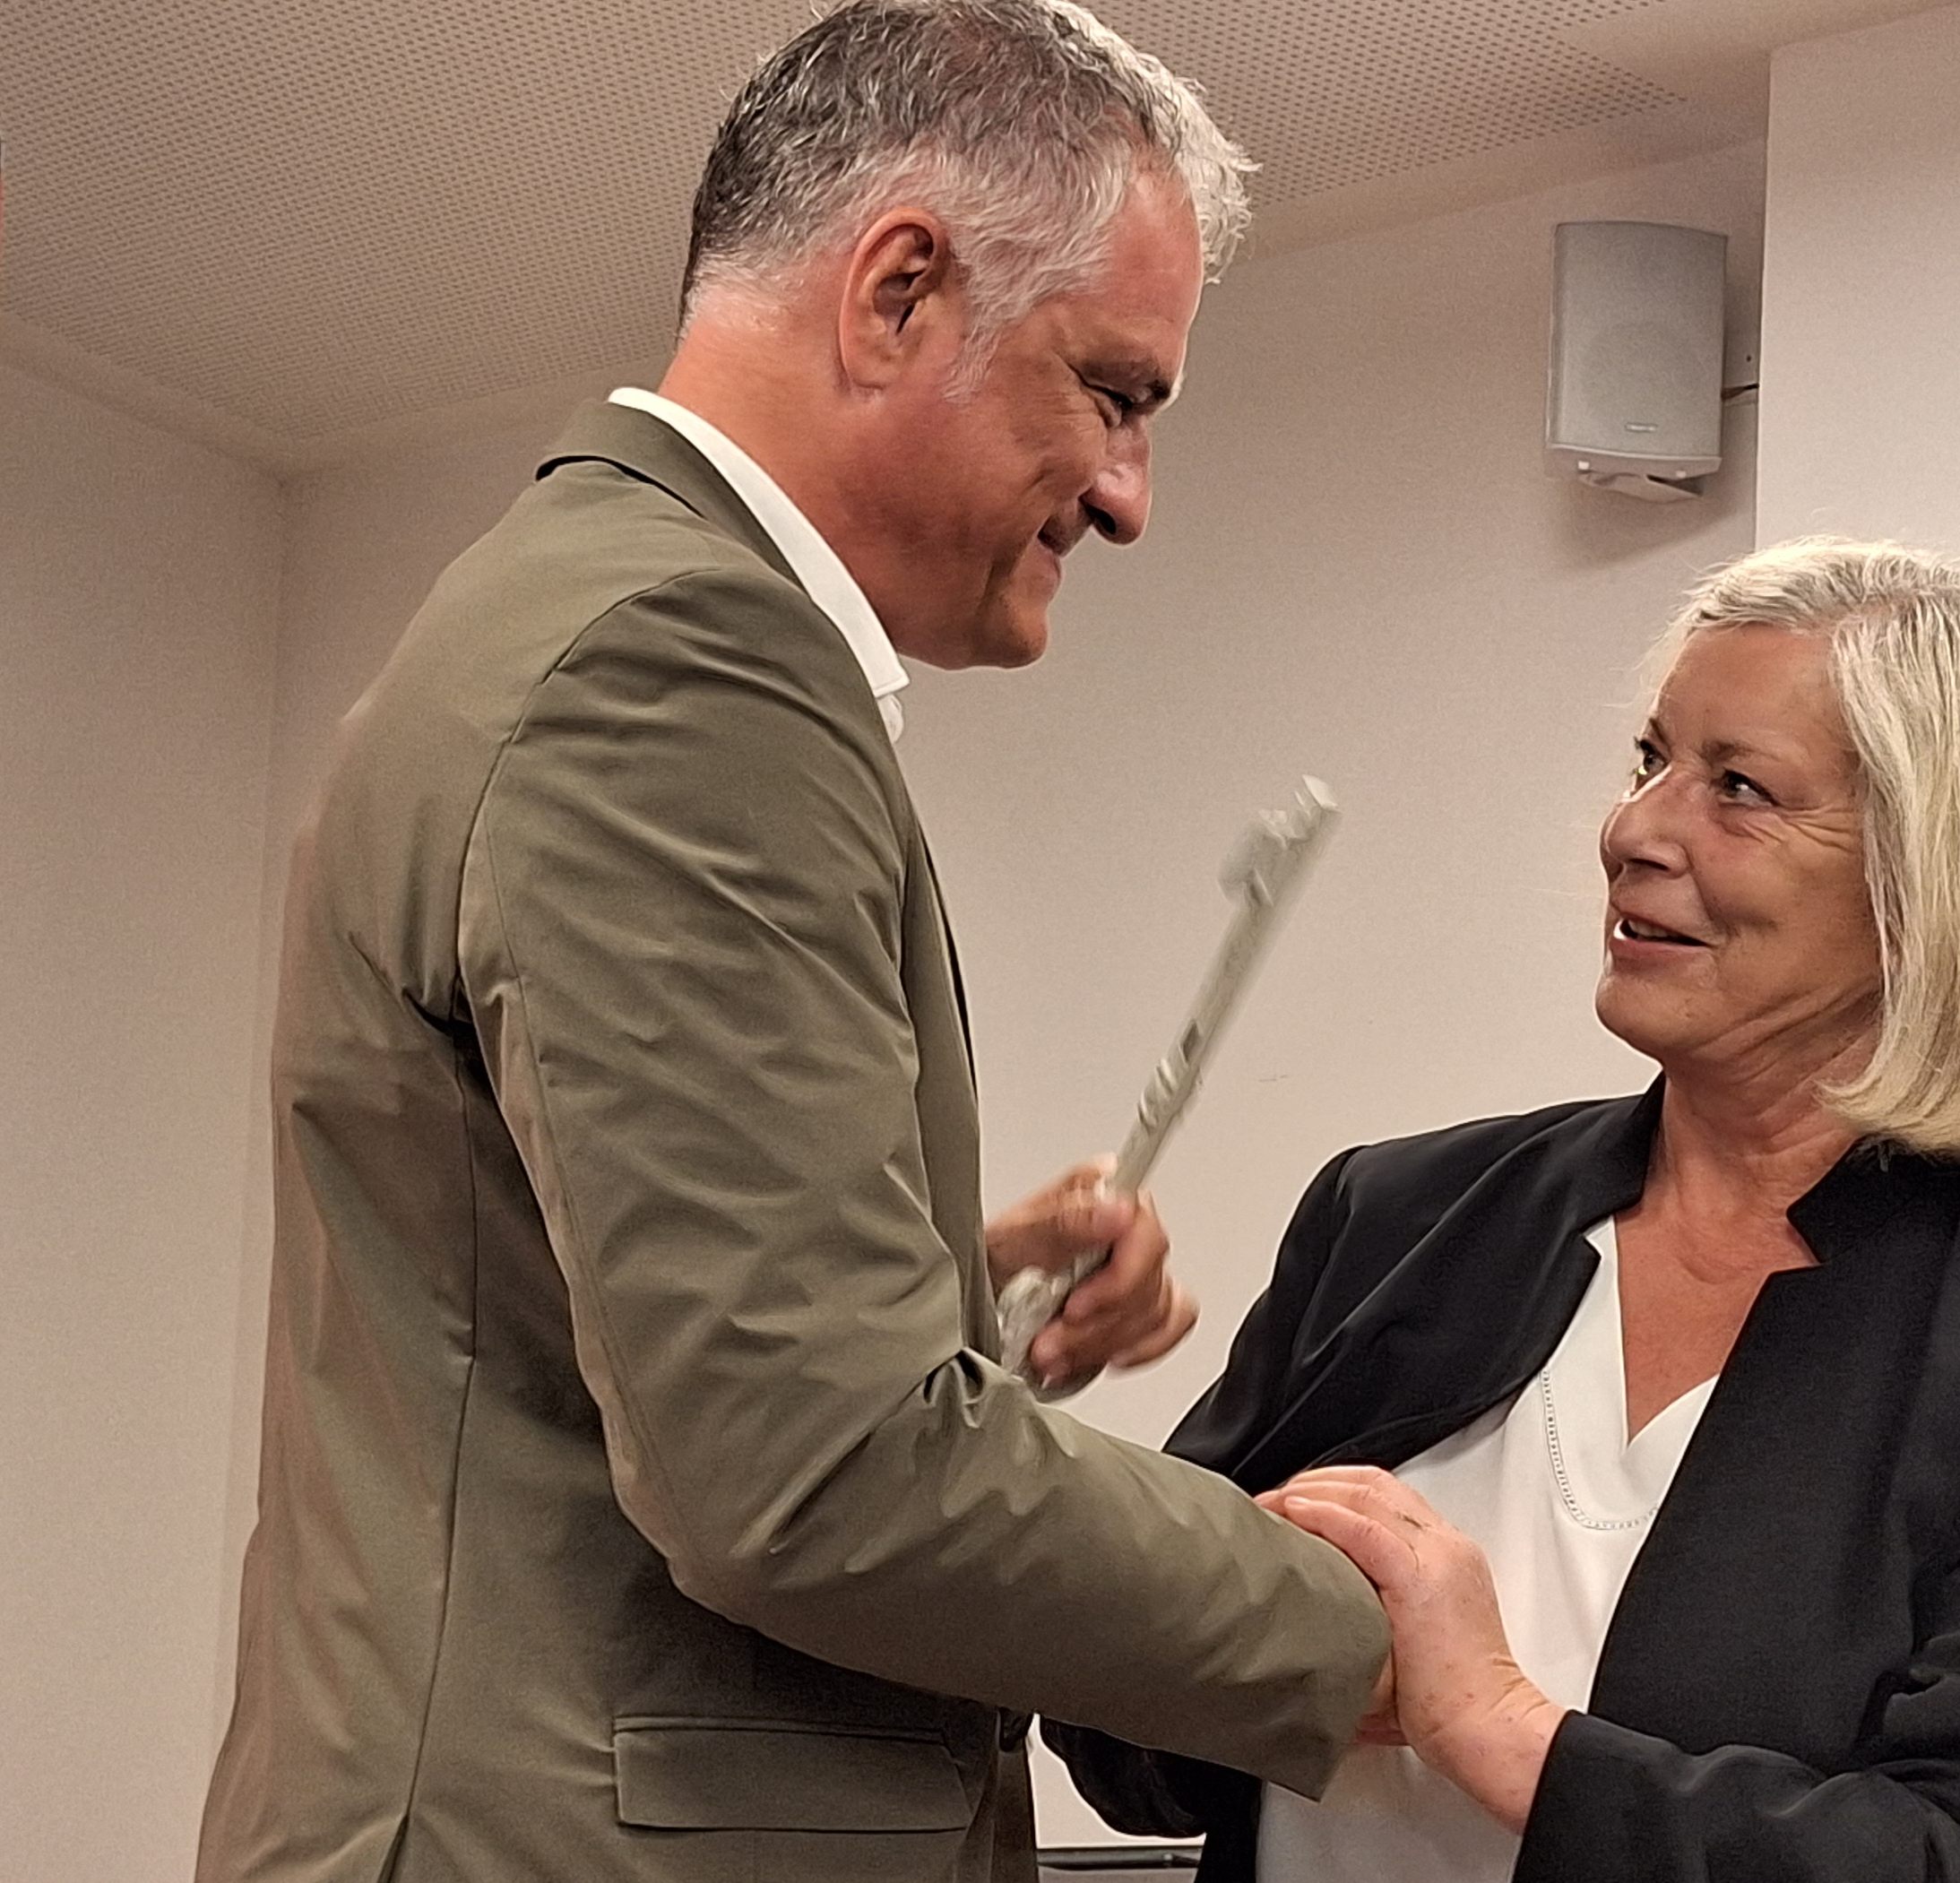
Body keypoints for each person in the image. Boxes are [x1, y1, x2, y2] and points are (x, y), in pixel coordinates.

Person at [194, 6, 1391, 1879]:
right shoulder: (682, 669)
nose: (1131, 496)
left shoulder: (562, 612)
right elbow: (815, 1475)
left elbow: (543, 1301)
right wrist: (1379, 1640)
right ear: (899, 290)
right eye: (1119, 392)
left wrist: (935, 1282)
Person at [1052, 539, 1960, 1883]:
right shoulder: (1399, 1216)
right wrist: (1232, 1634)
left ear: (1940, 886)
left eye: (1738, 789)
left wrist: (1494, 1724)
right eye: (1648, 763)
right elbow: (1119, 1750)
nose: (1632, 833)